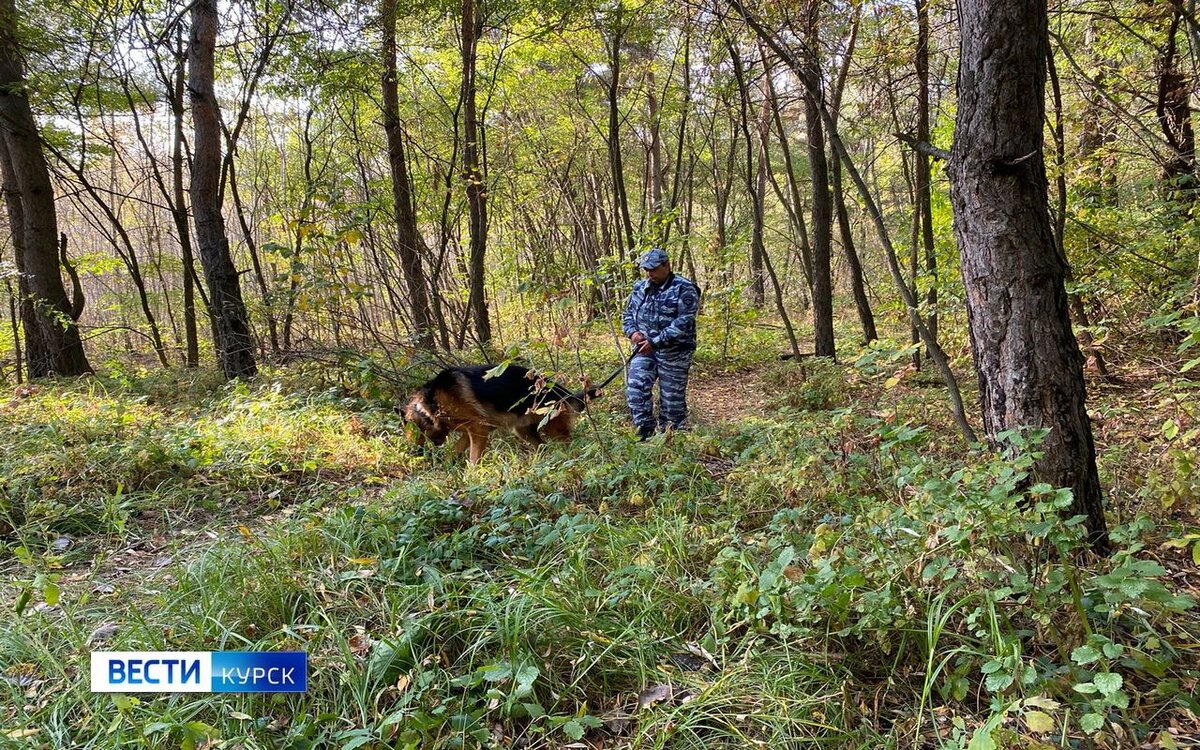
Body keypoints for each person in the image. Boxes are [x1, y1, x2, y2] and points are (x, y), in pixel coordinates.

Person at [622, 248, 700, 440]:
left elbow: (683, 323)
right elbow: (627, 315)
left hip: (675, 352)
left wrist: (655, 342)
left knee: (672, 401)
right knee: (635, 389)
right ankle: (644, 431)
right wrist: (633, 333)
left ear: (666, 265)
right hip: (644, 351)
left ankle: (671, 437)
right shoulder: (640, 288)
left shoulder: (684, 288)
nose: (650, 274)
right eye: (646, 270)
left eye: (654, 269)